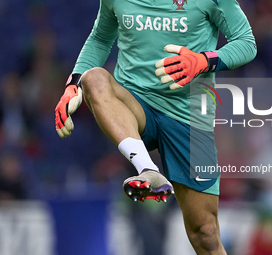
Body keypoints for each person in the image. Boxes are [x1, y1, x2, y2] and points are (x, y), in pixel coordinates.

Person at [55, 0, 256, 254]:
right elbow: (100, 38)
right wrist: (73, 84)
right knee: (93, 78)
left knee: (205, 233)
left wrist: (204, 61)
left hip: (191, 114)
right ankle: (148, 169)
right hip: (136, 102)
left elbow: (246, 42)